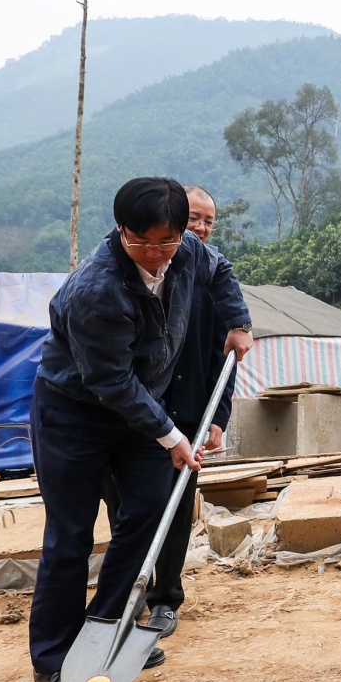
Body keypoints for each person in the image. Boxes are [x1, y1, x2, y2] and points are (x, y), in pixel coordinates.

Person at [28, 177, 253, 682]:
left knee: (150, 508)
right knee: (70, 537)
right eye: (140, 242)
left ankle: (107, 628)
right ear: (121, 229)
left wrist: (238, 321)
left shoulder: (189, 250)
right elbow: (111, 383)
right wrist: (173, 435)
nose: (154, 255)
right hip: (75, 414)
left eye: (166, 243)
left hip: (139, 412)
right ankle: (53, 660)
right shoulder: (95, 290)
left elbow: (220, 271)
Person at [104, 185, 239, 641]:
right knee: (123, 506)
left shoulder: (209, 279)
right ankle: (129, 593)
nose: (200, 229)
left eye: (208, 222)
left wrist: (218, 416)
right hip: (132, 416)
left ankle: (166, 597)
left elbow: (227, 356)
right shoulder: (139, 273)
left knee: (178, 505)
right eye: (193, 219)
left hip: (186, 414)